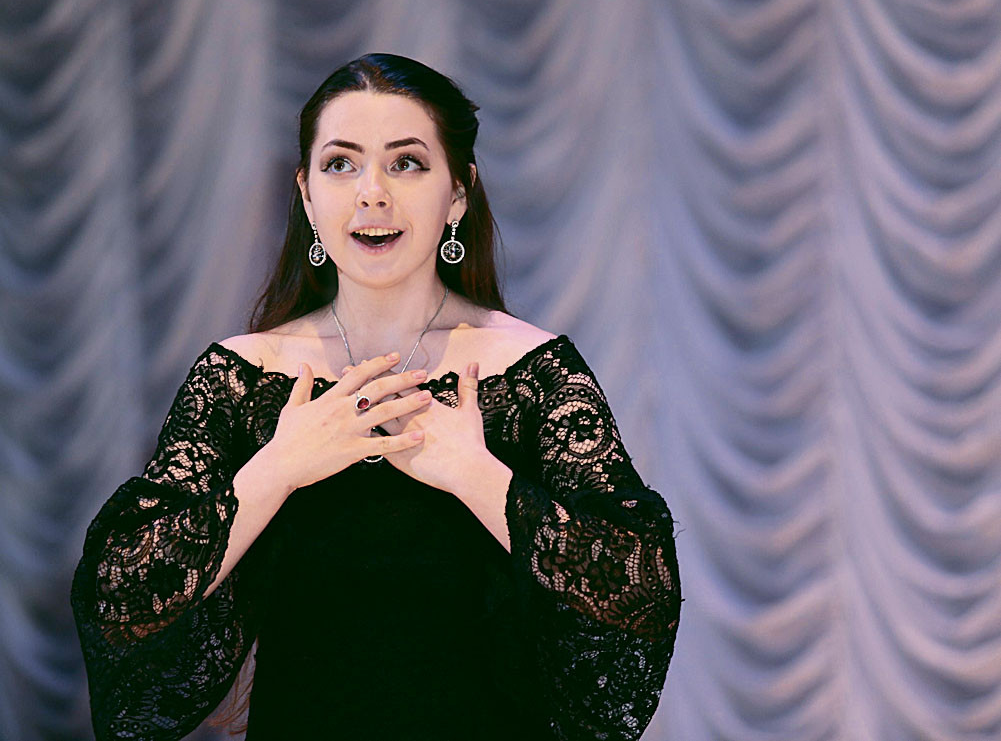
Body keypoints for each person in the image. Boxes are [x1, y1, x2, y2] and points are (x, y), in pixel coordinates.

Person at [71, 53, 682, 740]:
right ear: (306, 195)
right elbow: (118, 598)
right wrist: (278, 468)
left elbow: (642, 592)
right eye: (340, 164)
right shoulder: (241, 376)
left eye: (406, 163)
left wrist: (479, 477)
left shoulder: (529, 371)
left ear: (458, 194)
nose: (372, 194)